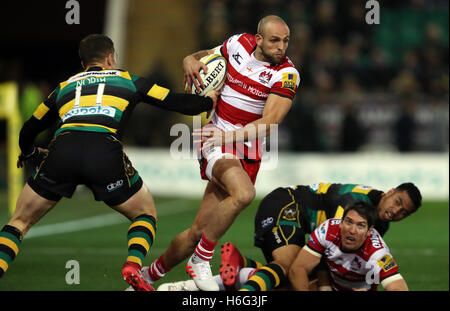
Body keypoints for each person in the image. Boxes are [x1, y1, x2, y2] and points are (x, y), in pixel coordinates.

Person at [0, 34, 218, 291]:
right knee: (145, 214)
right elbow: (174, 102)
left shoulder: (64, 86)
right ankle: (133, 266)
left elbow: (28, 128)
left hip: (62, 152)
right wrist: (207, 100)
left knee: (18, 222)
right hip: (103, 153)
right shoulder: (128, 80)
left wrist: (29, 153)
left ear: (83, 64)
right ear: (111, 58)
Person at [140, 15, 300, 291]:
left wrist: (231, 136)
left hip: (246, 149)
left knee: (198, 232)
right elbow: (209, 56)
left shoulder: (287, 74)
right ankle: (201, 260)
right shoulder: (238, 43)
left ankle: (146, 277)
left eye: (286, 41)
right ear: (259, 39)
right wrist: (190, 58)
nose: (281, 47)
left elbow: (271, 121)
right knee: (244, 193)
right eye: (274, 40)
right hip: (215, 139)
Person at [154, 181, 421, 291]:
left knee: (293, 282)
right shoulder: (354, 204)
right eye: (397, 201)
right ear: (389, 191)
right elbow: (330, 249)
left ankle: (236, 270)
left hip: (295, 217)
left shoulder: (375, 219)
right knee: (290, 270)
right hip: (286, 205)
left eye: (403, 212)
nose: (395, 211)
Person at [289, 200, 409, 291]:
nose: (352, 230)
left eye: (360, 225)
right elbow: (298, 268)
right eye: (348, 222)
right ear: (341, 223)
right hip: (331, 284)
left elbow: (398, 286)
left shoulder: (378, 252)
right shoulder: (327, 230)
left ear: (369, 231)